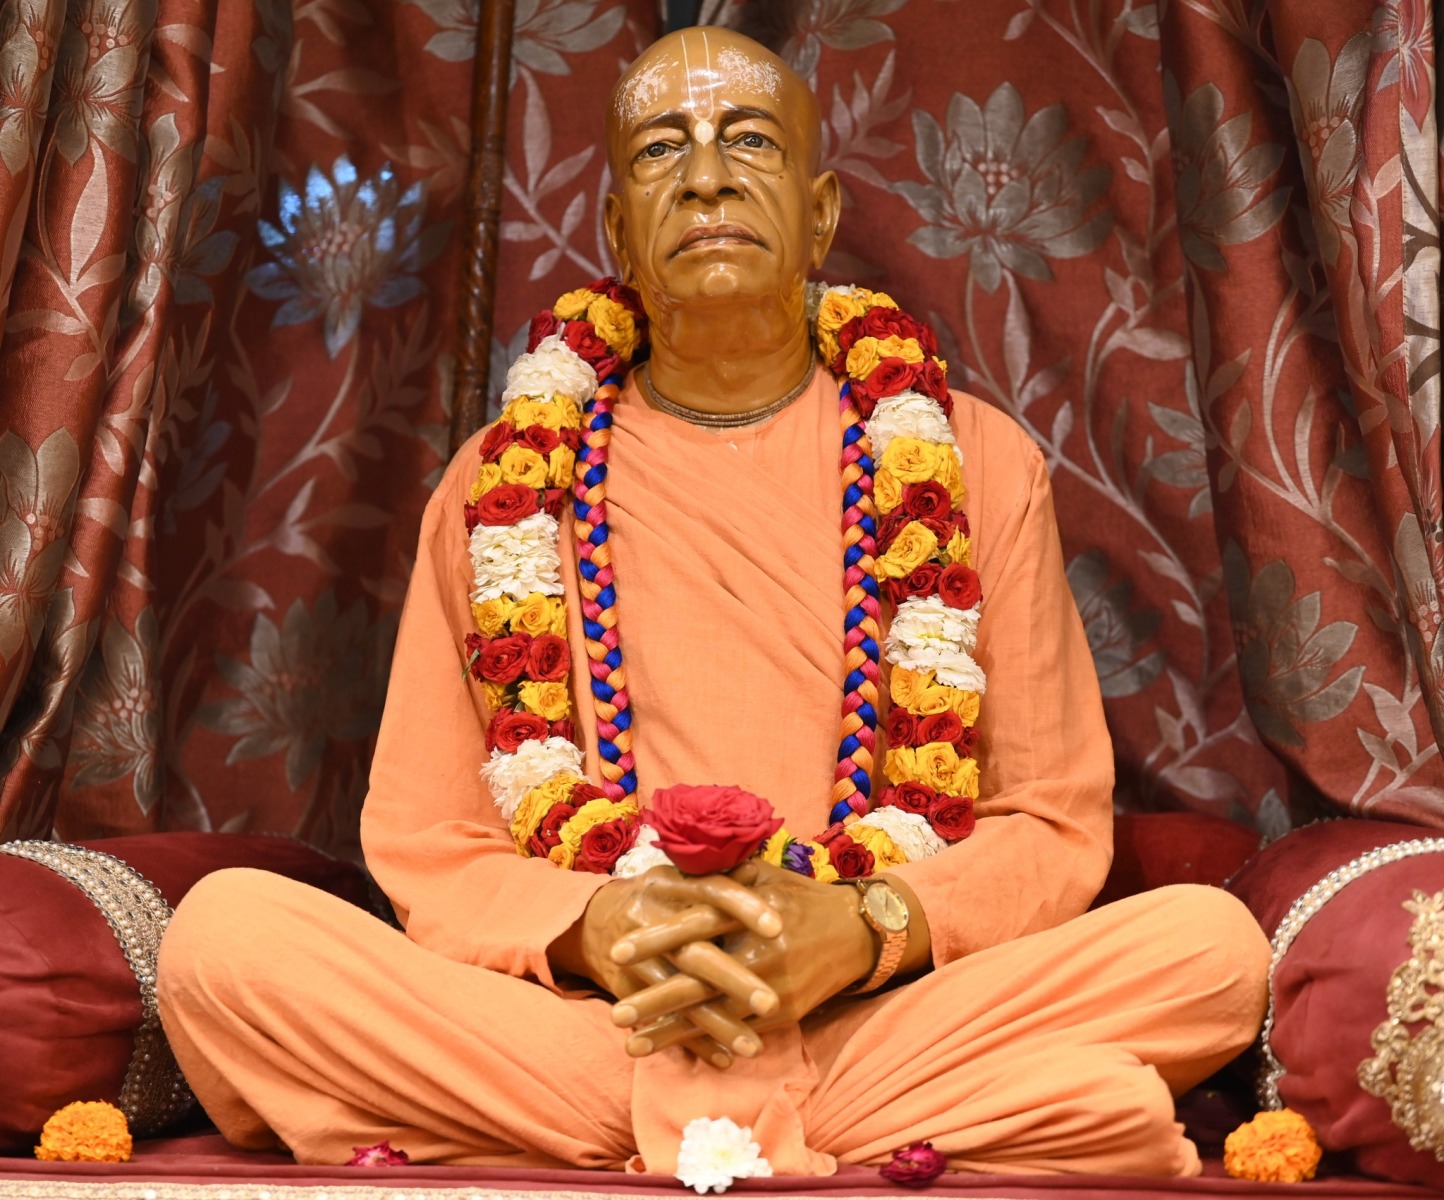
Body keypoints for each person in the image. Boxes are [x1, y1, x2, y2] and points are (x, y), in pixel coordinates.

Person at [156, 27, 1269, 1179]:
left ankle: (673, 1129)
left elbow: (1047, 819)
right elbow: (431, 839)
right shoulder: (501, 485)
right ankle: (866, 1124)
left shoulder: (973, 461)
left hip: (872, 1010)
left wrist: (859, 931)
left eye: (748, 142)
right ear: (616, 229)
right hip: (598, 1018)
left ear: (820, 216)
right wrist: (600, 931)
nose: (704, 178)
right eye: (659, 150)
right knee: (226, 941)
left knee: (1207, 950)